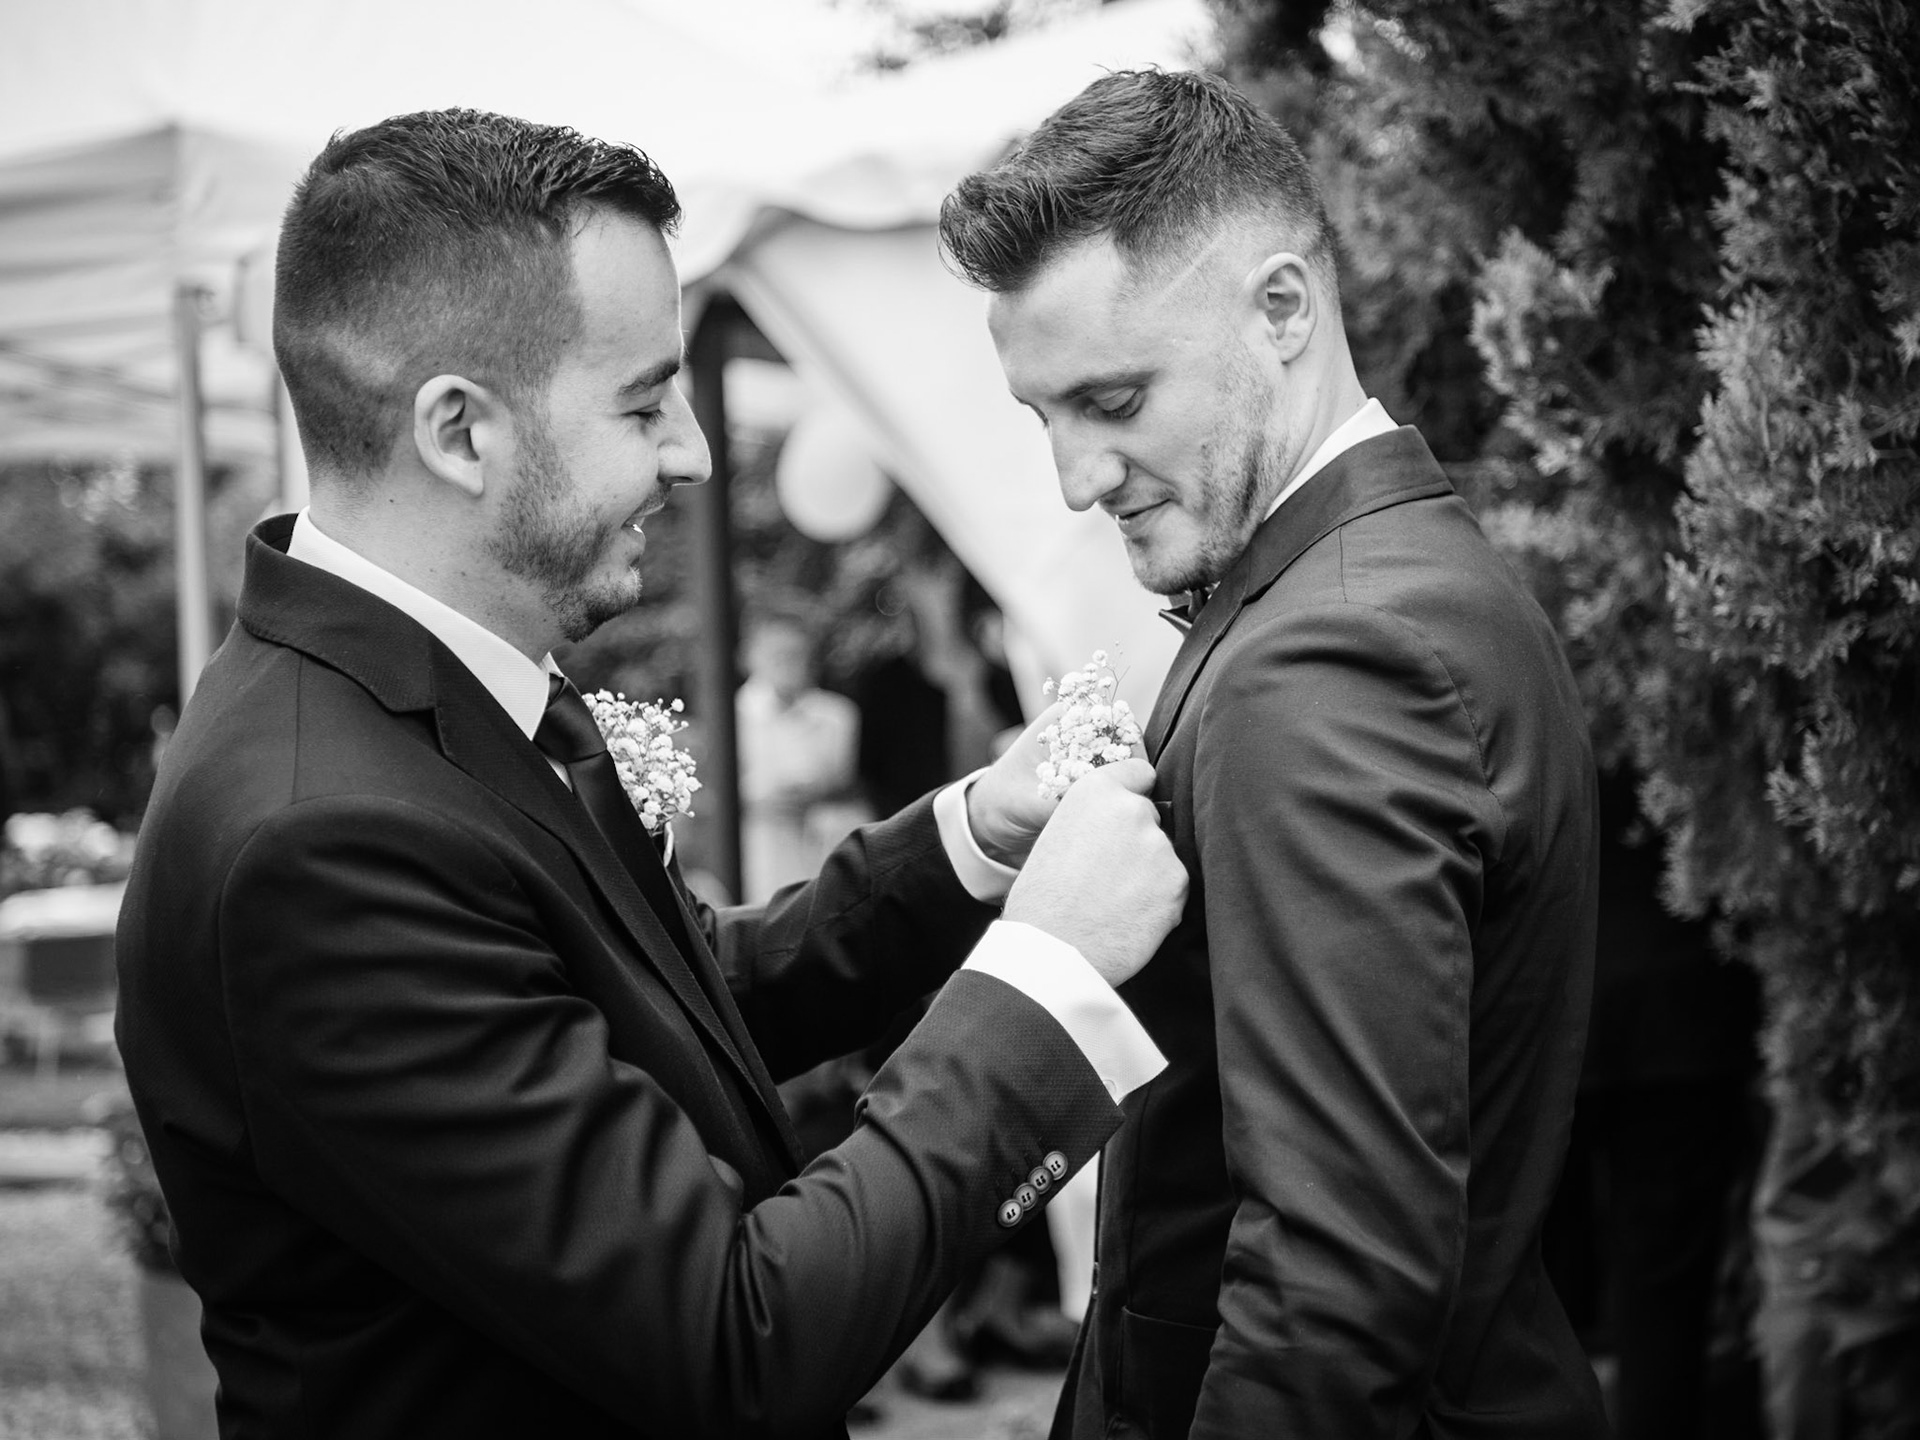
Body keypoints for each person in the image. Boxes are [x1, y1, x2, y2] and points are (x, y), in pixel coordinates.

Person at [113, 109, 1189, 1440]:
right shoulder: (317, 843)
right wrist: (1047, 976)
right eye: (642, 402)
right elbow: (733, 1341)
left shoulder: (440, 696)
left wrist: (970, 842)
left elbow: (663, 1002)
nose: (693, 450)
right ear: (459, 432)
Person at [941, 70, 1607, 1438]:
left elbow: (1333, 1280)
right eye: (1045, 416)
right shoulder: (1386, 575)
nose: (1077, 477)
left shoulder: (1330, 657)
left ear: (1285, 309)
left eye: (1115, 397)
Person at [735, 609, 861, 903]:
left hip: (816, 855)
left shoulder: (837, 716)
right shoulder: (731, 716)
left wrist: (815, 795)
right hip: (754, 856)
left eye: (796, 655)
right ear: (750, 656)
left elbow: (845, 789)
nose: (788, 664)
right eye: (777, 655)